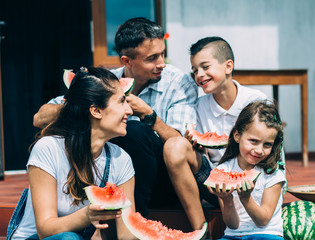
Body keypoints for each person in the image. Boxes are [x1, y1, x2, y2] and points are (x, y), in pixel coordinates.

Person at [33, 17, 198, 217]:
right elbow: (40, 118)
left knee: (136, 131)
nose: (162, 63)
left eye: (163, 54)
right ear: (126, 61)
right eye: (152, 58)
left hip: (165, 181)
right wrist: (89, 104)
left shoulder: (179, 82)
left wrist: (149, 115)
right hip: (112, 176)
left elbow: (180, 144)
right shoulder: (107, 82)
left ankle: (137, 220)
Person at [10, 67, 136, 240]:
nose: (129, 110)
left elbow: (126, 234)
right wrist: (87, 216)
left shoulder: (121, 159)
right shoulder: (48, 148)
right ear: (96, 111)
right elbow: (45, 229)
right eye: (122, 102)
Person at [163, 36, 268, 230]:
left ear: (228, 66)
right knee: (176, 146)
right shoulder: (198, 106)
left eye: (205, 67)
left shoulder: (257, 101)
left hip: (254, 184)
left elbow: (274, 153)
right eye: (194, 70)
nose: (199, 75)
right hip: (214, 185)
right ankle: (200, 230)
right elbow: (200, 156)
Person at [210, 100, 286, 240]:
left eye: (267, 144)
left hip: (268, 235)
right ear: (237, 136)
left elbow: (263, 221)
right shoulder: (223, 170)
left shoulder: (273, 174)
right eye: (254, 141)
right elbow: (232, 225)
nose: (259, 150)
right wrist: (226, 200)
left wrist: (246, 199)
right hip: (233, 236)